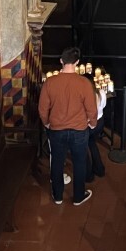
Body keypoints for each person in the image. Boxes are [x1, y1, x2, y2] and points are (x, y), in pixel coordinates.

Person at [37, 48, 97, 207]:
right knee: (79, 163)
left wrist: (47, 123)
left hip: (56, 130)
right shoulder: (84, 83)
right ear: (77, 63)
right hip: (79, 130)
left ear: (61, 61)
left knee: (57, 162)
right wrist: (92, 123)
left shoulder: (50, 82)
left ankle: (58, 196)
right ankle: (78, 196)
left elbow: (43, 108)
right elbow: (91, 108)